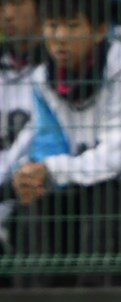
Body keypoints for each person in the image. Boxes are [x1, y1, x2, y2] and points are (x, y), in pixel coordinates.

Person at [6, 0, 121, 286]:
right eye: (52, 26)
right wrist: (32, 176)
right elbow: (48, 148)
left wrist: (50, 169)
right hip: (82, 181)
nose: (60, 37)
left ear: (99, 31)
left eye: (72, 26)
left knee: (104, 191)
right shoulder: (41, 80)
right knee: (34, 198)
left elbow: (118, 157)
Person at [0, 0, 43, 253]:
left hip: (25, 191)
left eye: (16, 4)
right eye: (2, 5)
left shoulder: (55, 72)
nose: (7, 15)